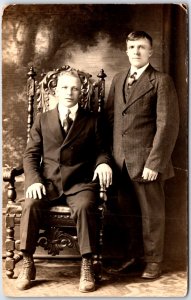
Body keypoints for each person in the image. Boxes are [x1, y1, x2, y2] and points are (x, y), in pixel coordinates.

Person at [16, 68, 112, 292]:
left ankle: (86, 264)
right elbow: (30, 155)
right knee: (30, 204)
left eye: (75, 88)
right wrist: (34, 181)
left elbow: (102, 150)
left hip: (80, 183)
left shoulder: (93, 120)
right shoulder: (42, 119)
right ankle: (28, 262)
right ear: (55, 91)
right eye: (65, 88)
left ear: (81, 93)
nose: (70, 92)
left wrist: (103, 163)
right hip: (48, 183)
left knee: (86, 207)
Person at [105, 31, 179, 279]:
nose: (136, 51)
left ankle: (154, 262)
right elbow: (111, 119)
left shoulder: (161, 80)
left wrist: (154, 163)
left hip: (147, 162)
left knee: (151, 216)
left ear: (150, 51)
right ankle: (133, 257)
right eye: (132, 47)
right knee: (126, 214)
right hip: (120, 163)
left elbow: (167, 125)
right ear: (126, 50)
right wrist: (109, 159)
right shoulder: (117, 79)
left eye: (141, 47)